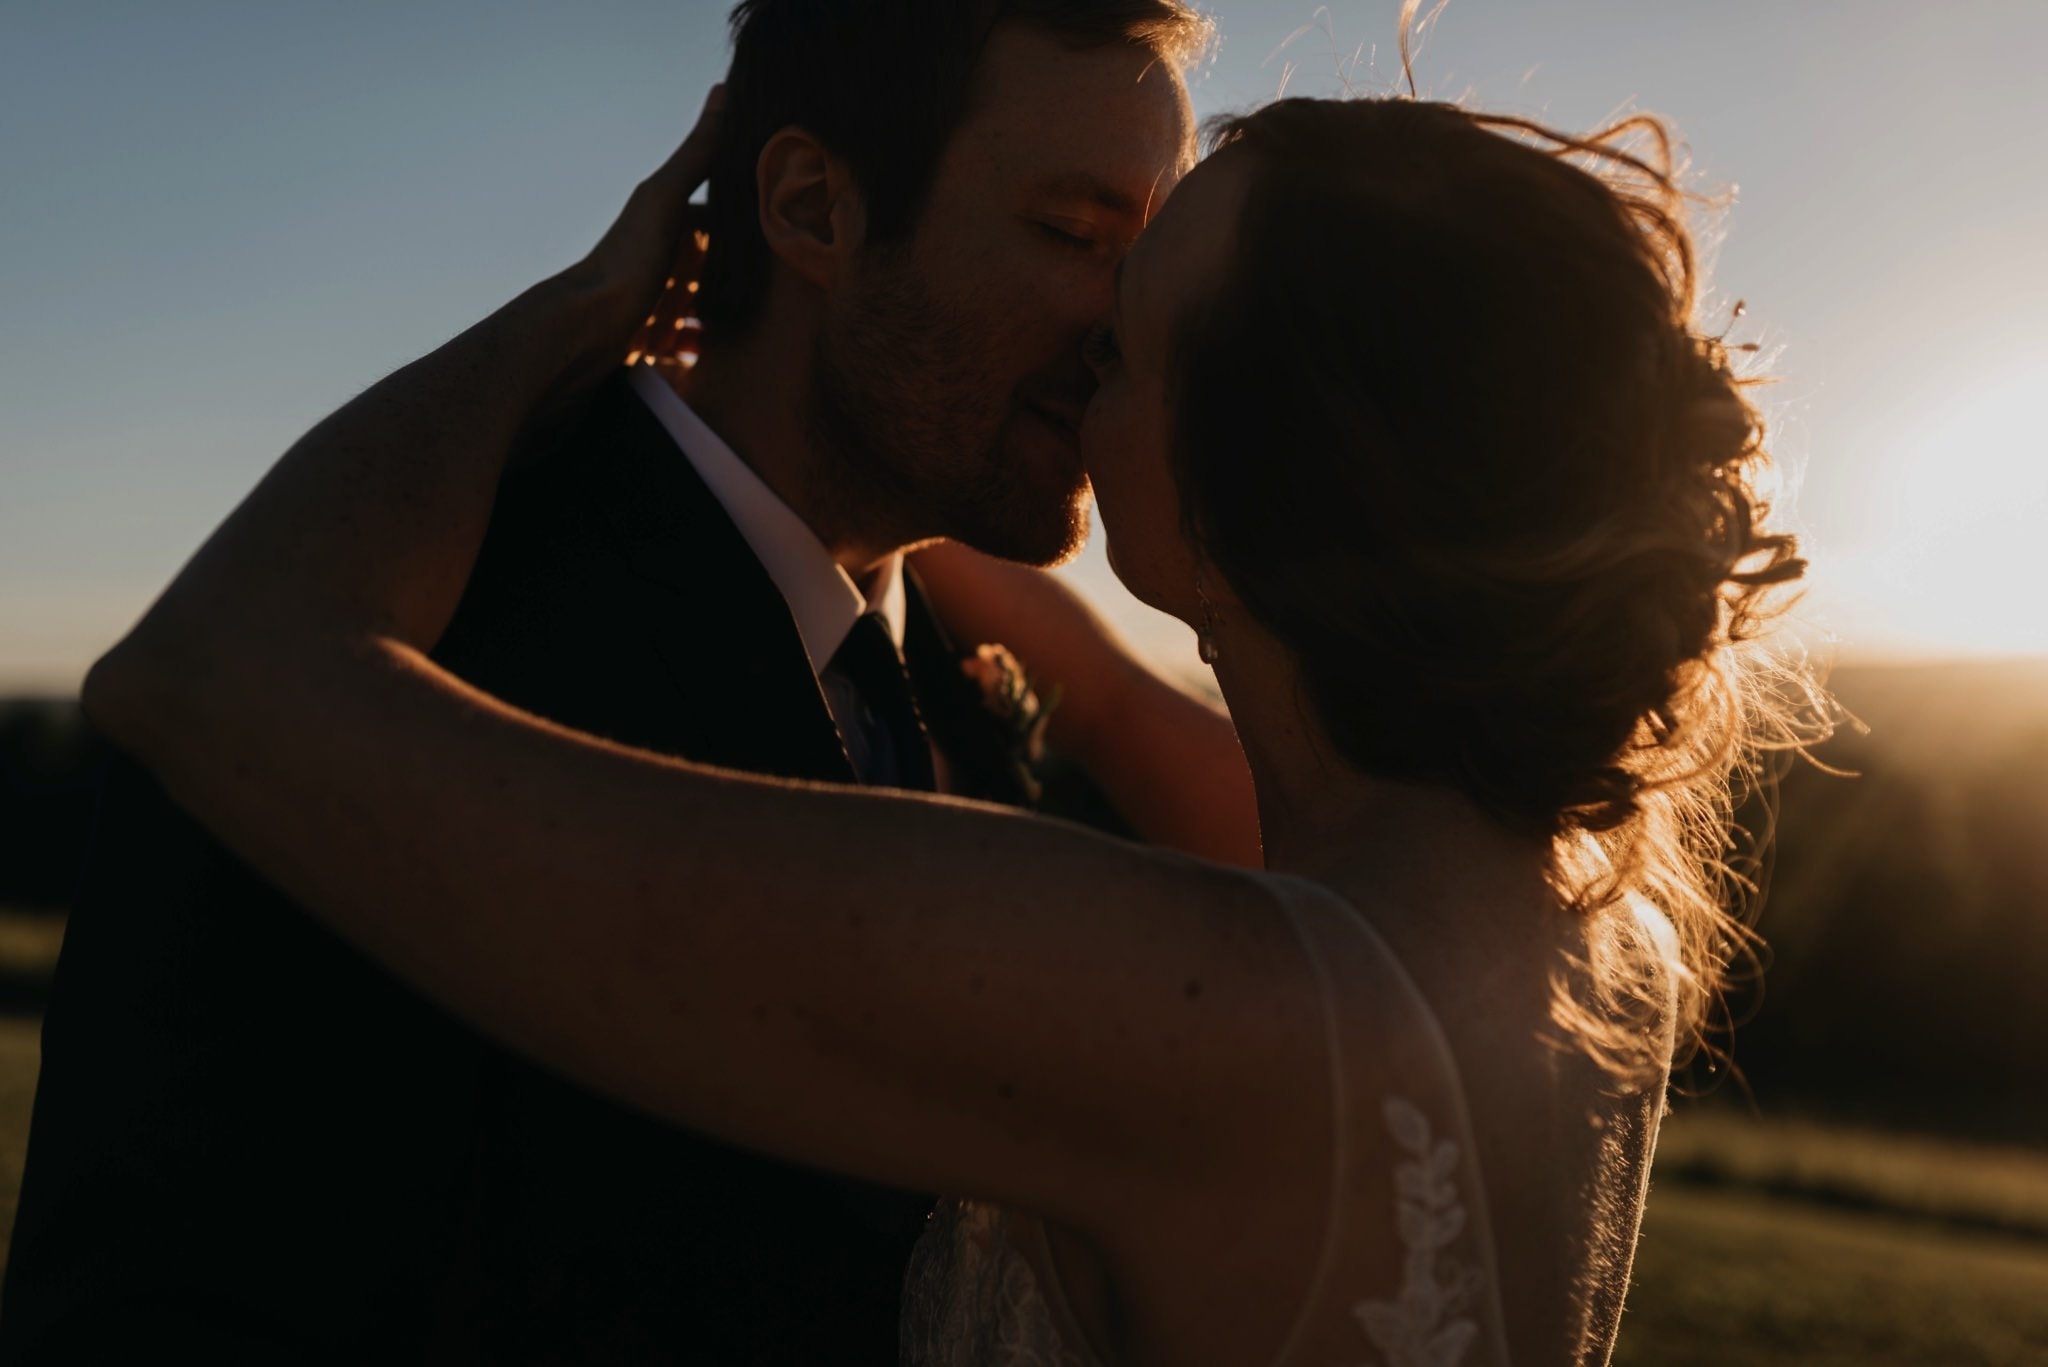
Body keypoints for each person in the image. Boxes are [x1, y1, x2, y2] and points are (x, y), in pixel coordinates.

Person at [76, 64, 1814, 1367]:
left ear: (1255, 490)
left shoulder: (1187, 1007)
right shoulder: (1592, 927)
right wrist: (932, 547)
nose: (1081, 346)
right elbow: (1154, 736)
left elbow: (216, 677)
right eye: (1072, 245)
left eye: (1129, 328)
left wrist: (569, 321)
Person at [0, 4, 1241, 1363]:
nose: (1126, 321)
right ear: (816, 208)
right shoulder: (411, 629)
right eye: (1073, 233)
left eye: (1149, 251)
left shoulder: (944, 664)